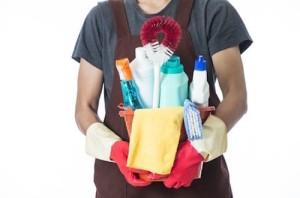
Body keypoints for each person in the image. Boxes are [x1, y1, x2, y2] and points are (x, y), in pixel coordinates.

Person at [72, 0, 252, 197]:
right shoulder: (101, 19)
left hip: (198, 183)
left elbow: (237, 96)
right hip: (122, 187)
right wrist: (113, 148)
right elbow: (84, 108)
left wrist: (199, 148)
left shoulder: (212, 10)